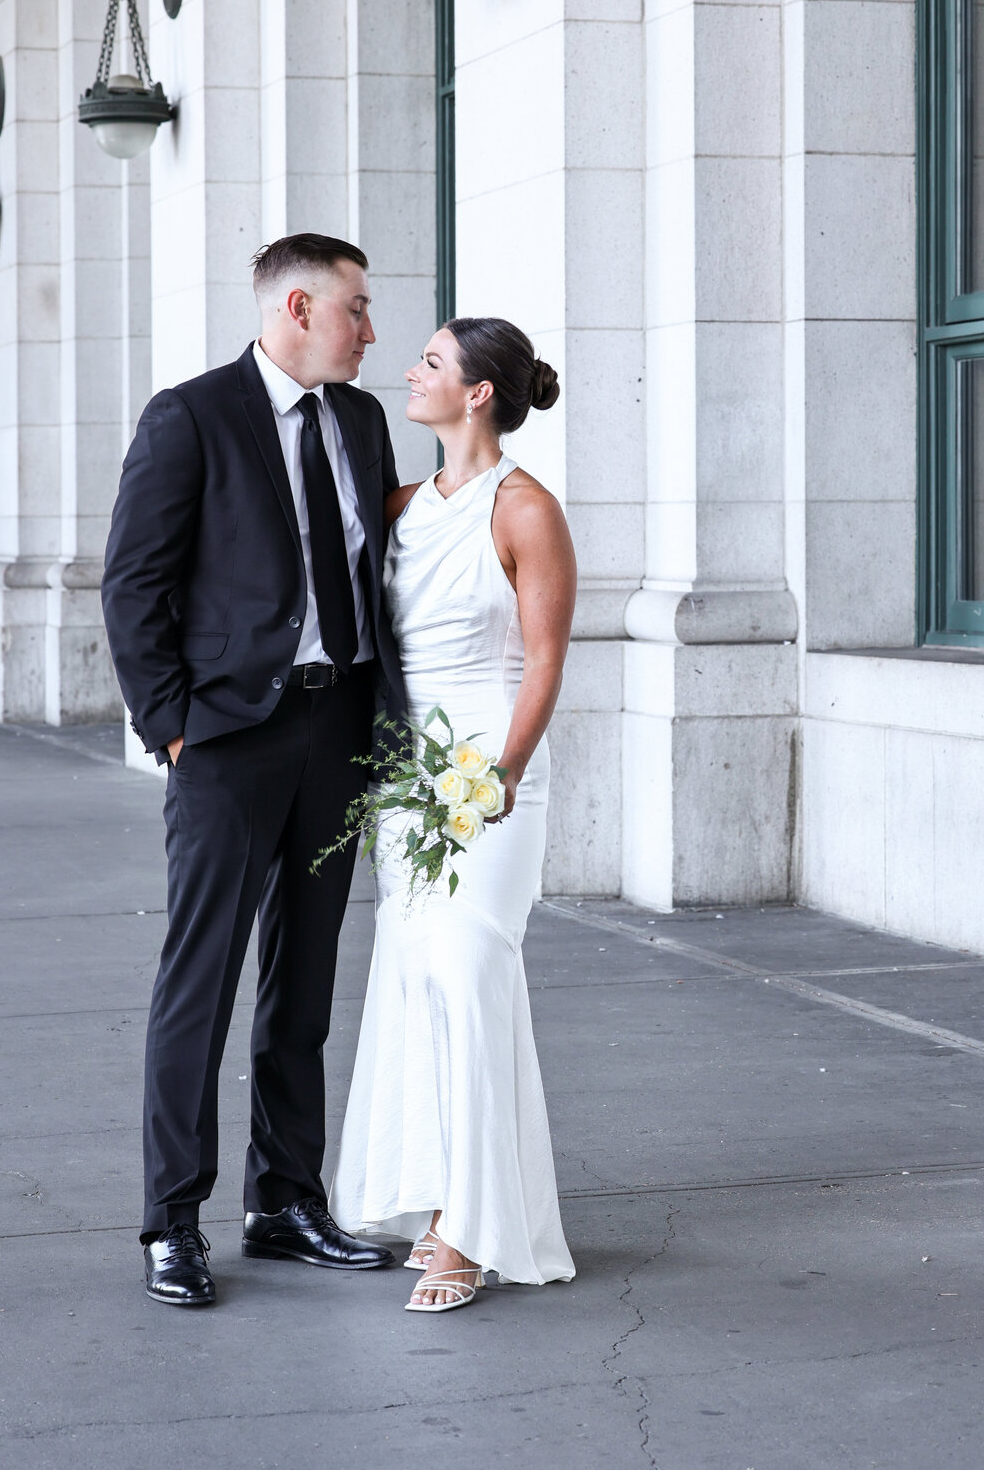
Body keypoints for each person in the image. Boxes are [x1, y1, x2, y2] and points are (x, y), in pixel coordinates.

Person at [101, 233, 406, 1306]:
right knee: (202, 976)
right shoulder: (190, 417)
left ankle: (284, 1199)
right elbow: (133, 583)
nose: (372, 330)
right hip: (229, 741)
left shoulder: (362, 422)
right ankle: (171, 1221)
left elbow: (382, 575)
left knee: (305, 981)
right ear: (295, 308)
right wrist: (173, 729)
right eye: (356, 309)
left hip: (340, 730)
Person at [329, 316, 578, 1313]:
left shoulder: (526, 511)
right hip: (406, 774)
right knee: (417, 981)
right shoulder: (397, 507)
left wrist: (504, 772)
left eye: (430, 362)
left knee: (473, 972)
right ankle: (438, 1199)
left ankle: (468, 1233)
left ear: (478, 392)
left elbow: (549, 657)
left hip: (492, 768)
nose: (409, 371)